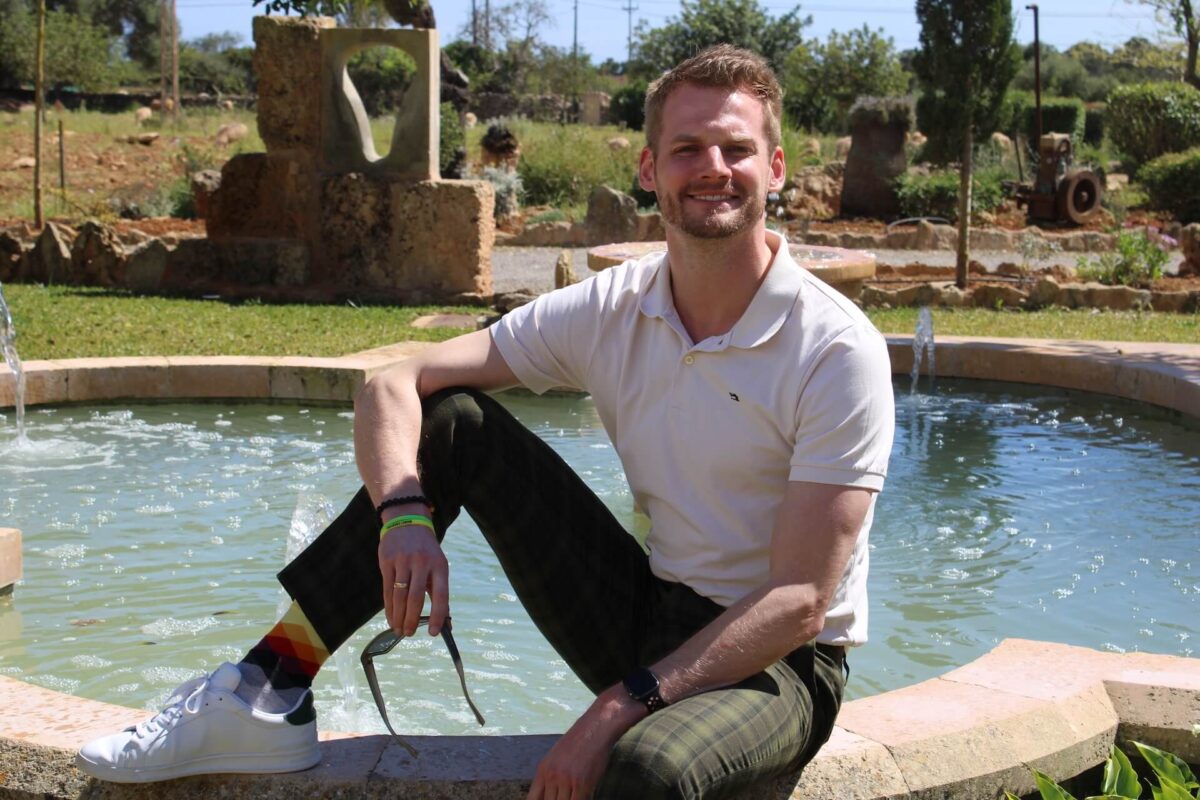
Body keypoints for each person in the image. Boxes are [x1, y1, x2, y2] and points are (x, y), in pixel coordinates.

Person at [76, 44, 894, 798]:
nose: (713, 168)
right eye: (687, 149)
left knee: (646, 768)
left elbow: (799, 600)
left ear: (776, 167)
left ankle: (641, 721)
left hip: (778, 664)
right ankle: (268, 683)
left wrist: (619, 705)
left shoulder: (834, 348)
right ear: (650, 169)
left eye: (736, 149)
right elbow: (397, 381)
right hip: (650, 607)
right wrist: (402, 513)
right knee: (455, 420)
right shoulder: (616, 307)